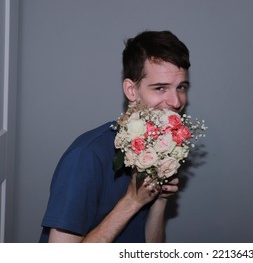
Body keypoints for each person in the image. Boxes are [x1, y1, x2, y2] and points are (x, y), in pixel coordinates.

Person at [39, 30, 191, 243]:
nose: (176, 101)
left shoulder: (162, 147)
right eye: (160, 88)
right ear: (131, 90)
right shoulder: (87, 156)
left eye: (181, 87)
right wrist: (132, 202)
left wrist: (160, 200)